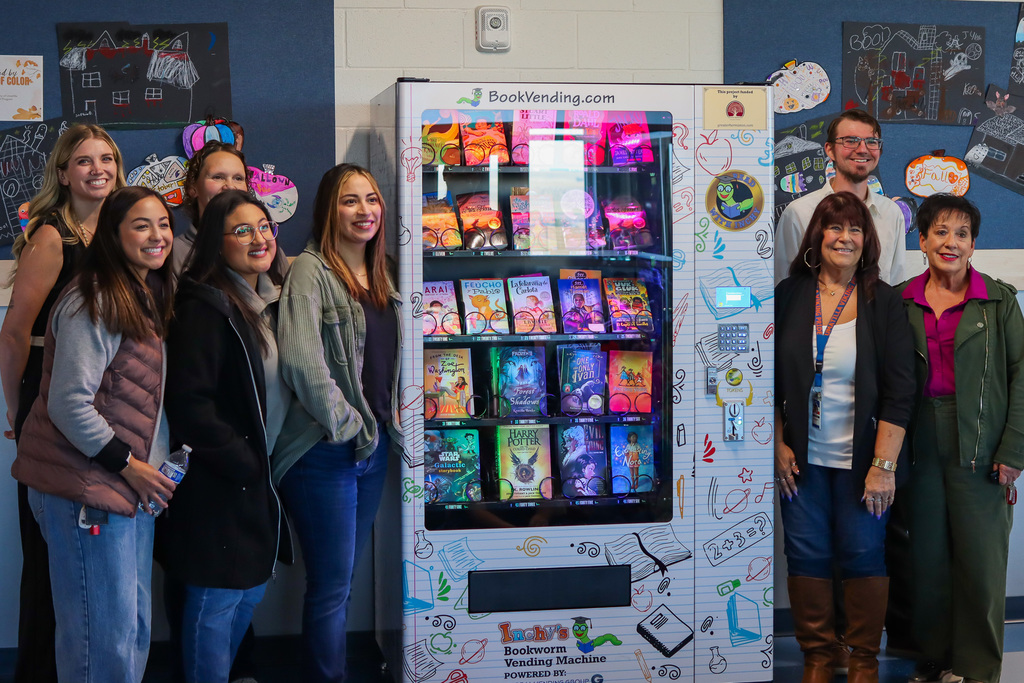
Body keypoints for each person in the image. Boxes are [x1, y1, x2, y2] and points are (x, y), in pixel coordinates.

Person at [11, 186, 177, 683]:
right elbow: (67, 403)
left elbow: (143, 400)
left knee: (128, 634)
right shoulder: (96, 298)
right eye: (141, 225)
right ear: (113, 233)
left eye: (163, 224)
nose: (157, 235)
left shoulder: (139, 292)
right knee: (98, 645)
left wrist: (148, 474)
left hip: (126, 489)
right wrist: (130, 465)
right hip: (88, 489)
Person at [0, 122, 127, 683]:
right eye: (83, 161)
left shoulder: (123, 231)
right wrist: (15, 409)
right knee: (50, 549)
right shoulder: (53, 236)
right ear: (62, 173)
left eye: (107, 159)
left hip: (109, 400)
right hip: (50, 399)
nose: (97, 169)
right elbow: (12, 333)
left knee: (94, 547)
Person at [774, 191, 915, 683]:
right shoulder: (789, 295)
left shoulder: (885, 301)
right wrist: (776, 443)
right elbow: (762, 379)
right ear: (817, 236)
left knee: (862, 553)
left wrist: (884, 466)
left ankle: (862, 660)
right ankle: (817, 656)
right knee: (806, 552)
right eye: (835, 228)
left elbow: (901, 392)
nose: (845, 237)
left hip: (863, 463)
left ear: (867, 240)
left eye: (855, 229)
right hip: (801, 462)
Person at [274, 164, 404, 682]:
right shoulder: (310, 271)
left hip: (373, 448)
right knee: (330, 586)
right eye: (349, 201)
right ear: (329, 209)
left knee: (342, 581)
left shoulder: (388, 270)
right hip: (325, 449)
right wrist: (350, 426)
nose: (364, 211)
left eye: (371, 199)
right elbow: (302, 363)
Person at [158, 190, 292, 683]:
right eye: (242, 230)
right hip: (220, 484)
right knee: (216, 602)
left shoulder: (260, 298)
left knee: (245, 595)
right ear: (217, 243)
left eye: (264, 226)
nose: (259, 238)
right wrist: (244, 462)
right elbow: (191, 405)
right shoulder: (204, 307)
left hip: (253, 478)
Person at [900, 194, 1024, 683]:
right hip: (917, 439)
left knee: (980, 558)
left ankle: (975, 669)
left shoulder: (998, 300)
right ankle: (933, 657)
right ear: (923, 239)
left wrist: (1014, 449)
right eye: (940, 232)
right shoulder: (898, 299)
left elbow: (1022, 375)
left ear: (973, 244)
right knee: (925, 556)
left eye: (962, 234)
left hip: (983, 440)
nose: (950, 243)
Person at [775, 109, 906, 286]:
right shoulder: (799, 213)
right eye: (850, 141)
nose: (862, 149)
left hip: (877, 313)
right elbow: (783, 286)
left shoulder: (891, 213)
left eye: (871, 142)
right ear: (829, 150)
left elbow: (896, 285)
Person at [172, 141, 250, 274]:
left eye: (238, 178)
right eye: (218, 177)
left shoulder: (263, 244)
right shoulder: (174, 254)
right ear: (193, 187)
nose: (230, 186)